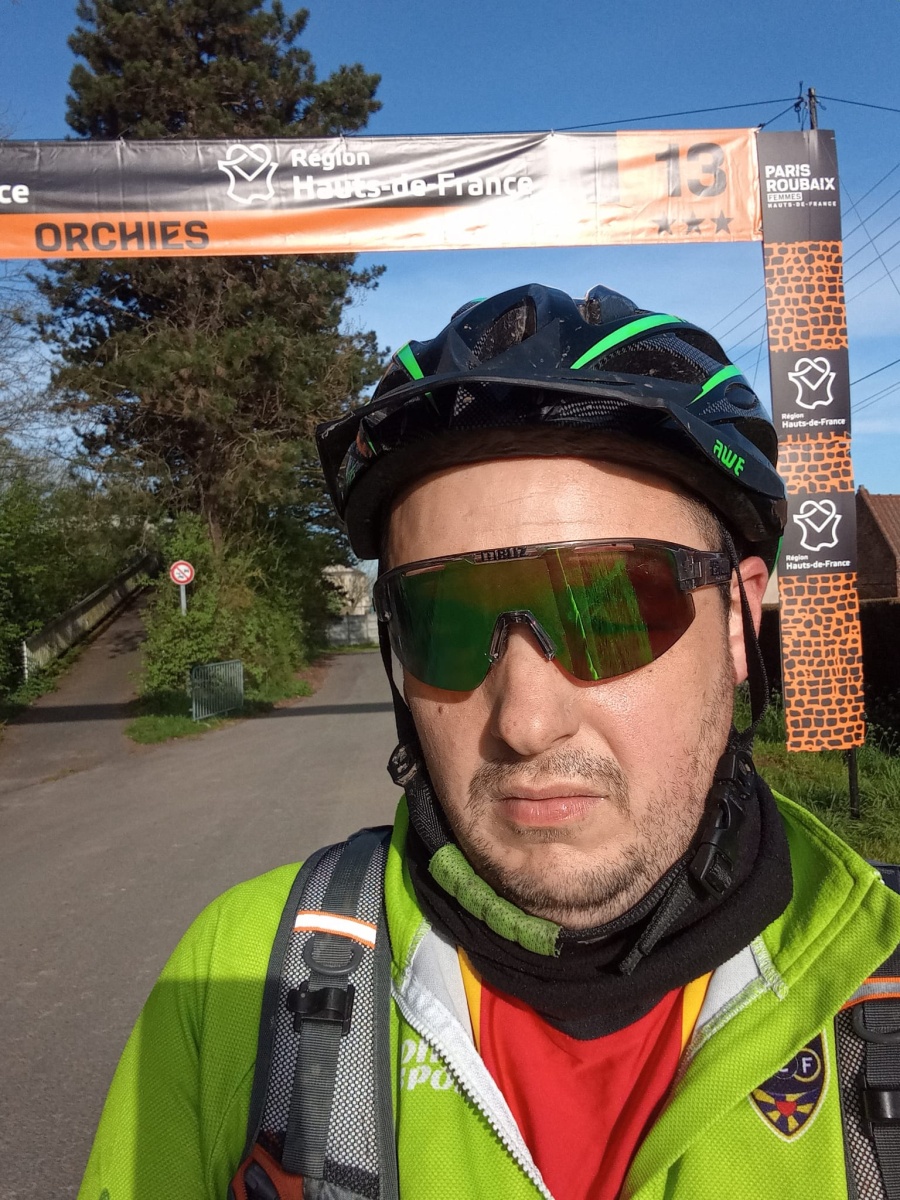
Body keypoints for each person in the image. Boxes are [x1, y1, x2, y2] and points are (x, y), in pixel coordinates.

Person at [79, 283, 900, 1200]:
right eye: (446, 621)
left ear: (741, 622)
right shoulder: (236, 974)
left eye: (612, 610)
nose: (525, 722)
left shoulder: (884, 964)